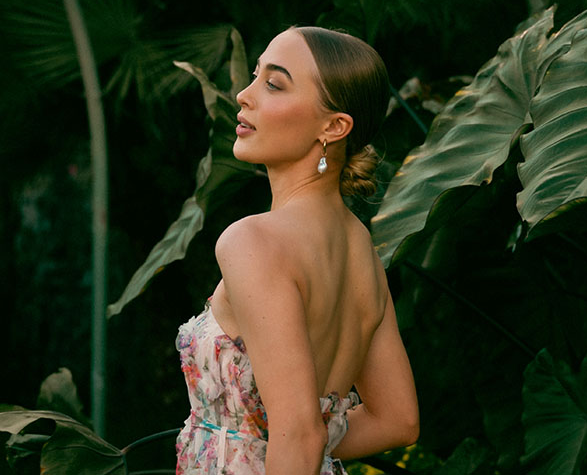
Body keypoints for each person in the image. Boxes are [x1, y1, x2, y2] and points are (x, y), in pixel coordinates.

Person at [175, 26, 419, 475]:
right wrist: (254, 442)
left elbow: (301, 432)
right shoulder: (361, 249)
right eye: (255, 75)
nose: (244, 95)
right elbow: (395, 421)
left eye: (274, 83)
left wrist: (251, 447)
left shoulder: (254, 241)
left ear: (334, 127)